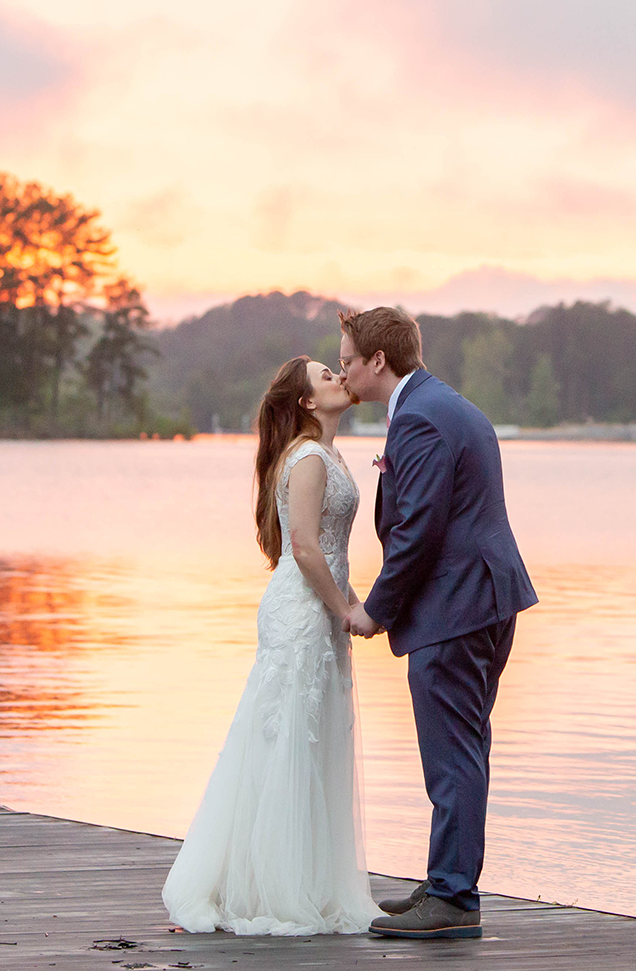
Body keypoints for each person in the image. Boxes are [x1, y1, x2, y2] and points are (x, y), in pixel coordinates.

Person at [161, 357, 384, 936]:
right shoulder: (308, 458)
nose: (340, 377)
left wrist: (356, 605)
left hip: (321, 605)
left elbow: (328, 549)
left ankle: (306, 878)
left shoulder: (328, 454)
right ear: (307, 403)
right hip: (303, 611)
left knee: (311, 740)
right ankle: (269, 887)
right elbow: (307, 549)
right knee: (287, 738)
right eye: (326, 376)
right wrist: (345, 610)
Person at [337, 306, 538, 940]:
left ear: (378, 360)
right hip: (486, 600)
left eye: (347, 359)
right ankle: (446, 880)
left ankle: (452, 898)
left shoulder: (420, 419)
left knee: (452, 754)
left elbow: (418, 533)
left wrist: (374, 610)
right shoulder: (445, 404)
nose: (342, 370)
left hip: (455, 607)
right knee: (465, 748)